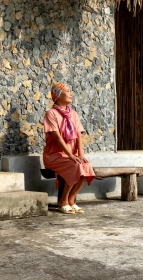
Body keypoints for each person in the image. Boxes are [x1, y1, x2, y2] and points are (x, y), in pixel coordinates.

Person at [43, 82, 95, 214]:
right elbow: (56, 137)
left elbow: (78, 136)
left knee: (86, 166)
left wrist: (81, 155)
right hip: (55, 156)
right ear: (58, 95)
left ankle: (71, 200)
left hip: (72, 155)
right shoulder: (51, 114)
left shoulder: (74, 114)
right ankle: (63, 201)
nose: (71, 93)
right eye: (67, 91)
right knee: (76, 166)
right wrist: (71, 155)